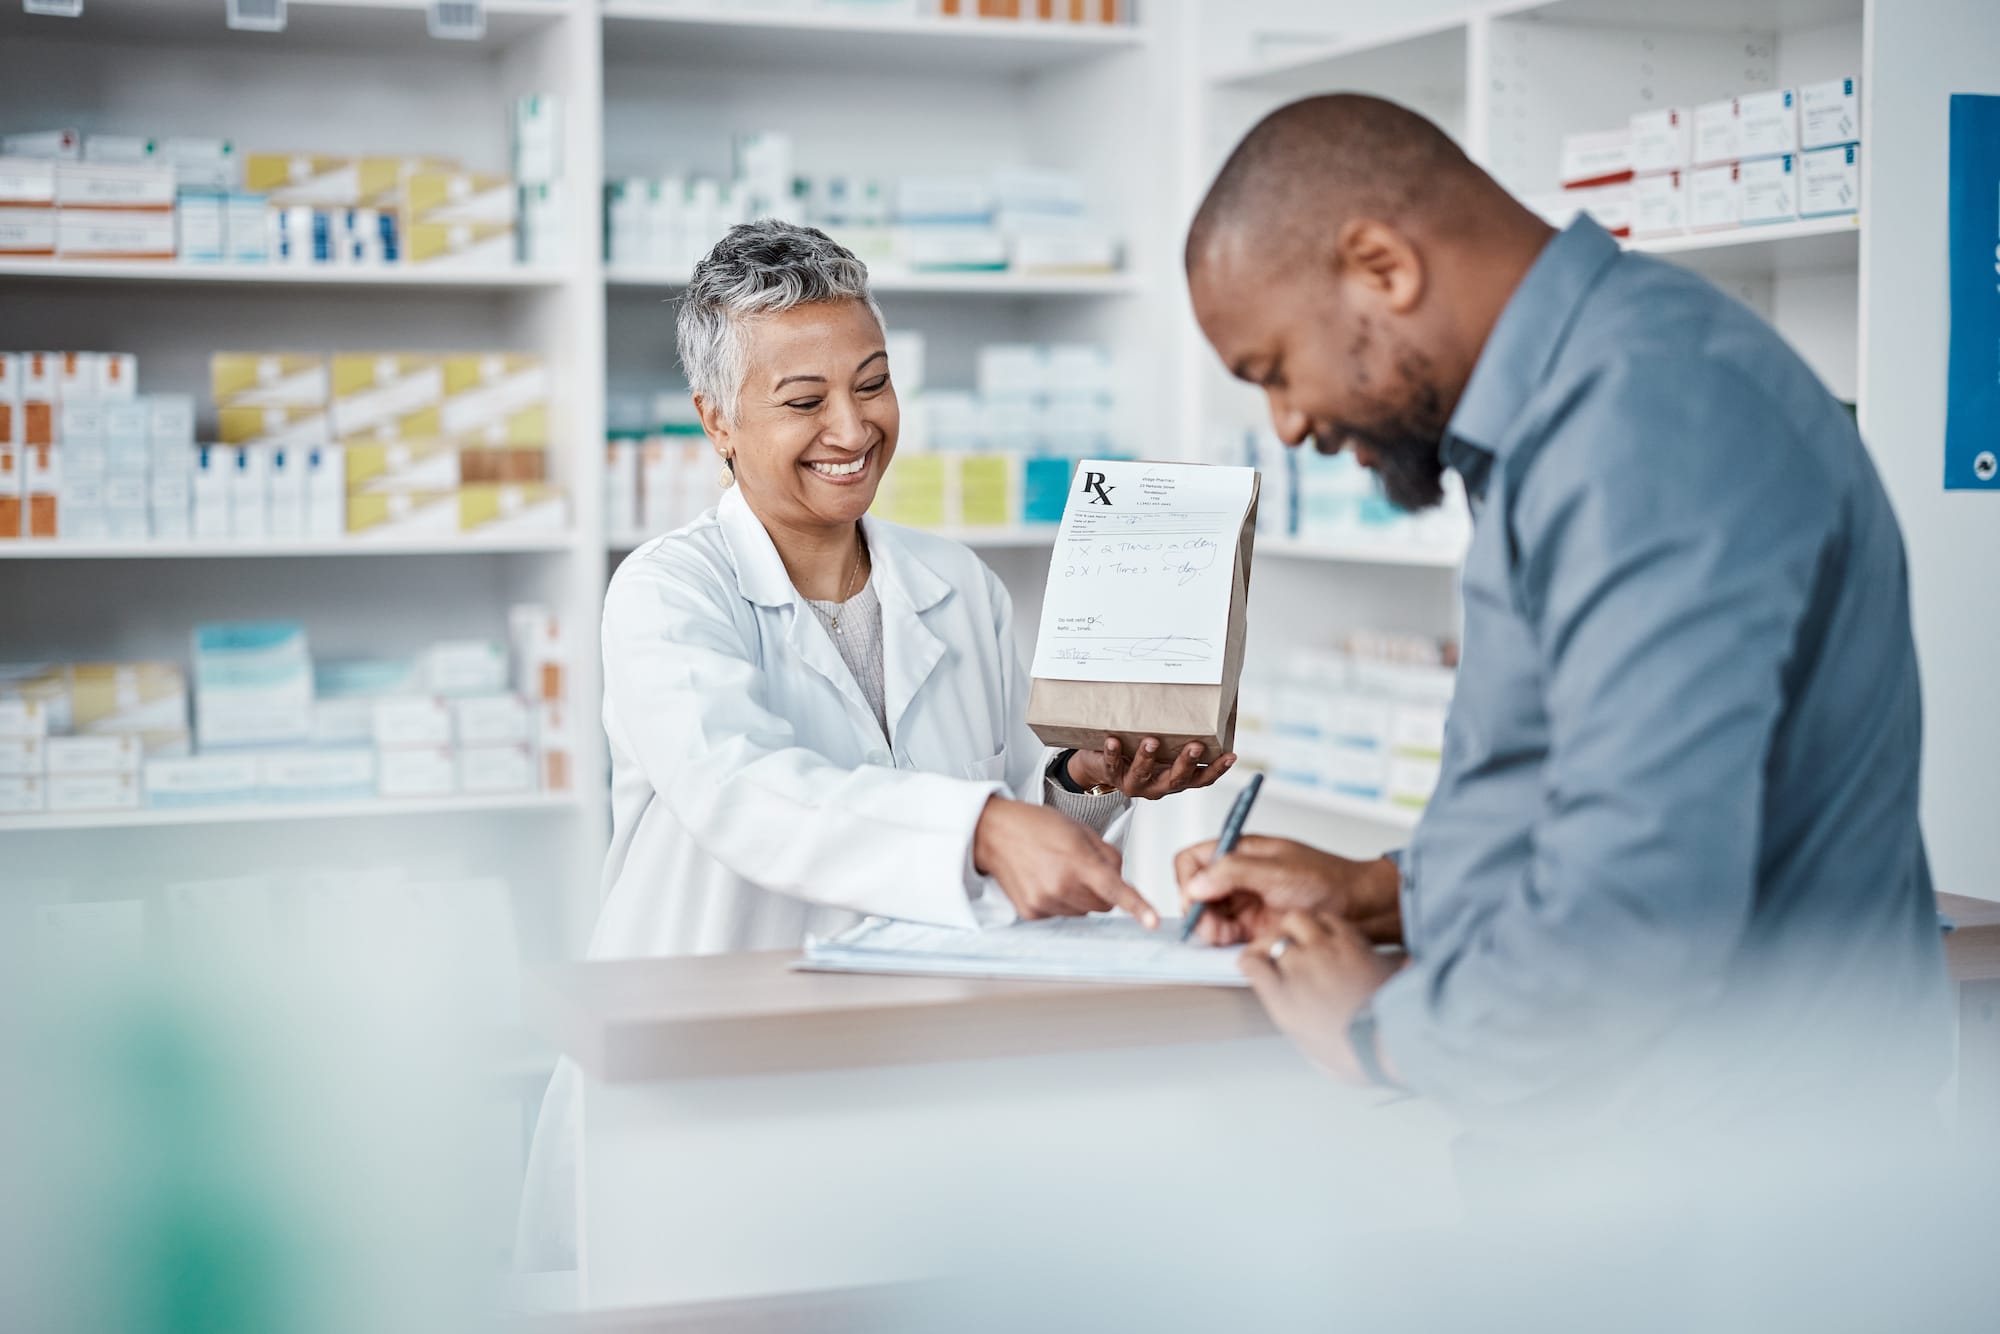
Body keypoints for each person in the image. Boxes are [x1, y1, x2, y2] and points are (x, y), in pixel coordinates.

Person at [1174, 95, 1950, 1158]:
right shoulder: (1575, 407)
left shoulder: (1643, 418)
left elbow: (1638, 896)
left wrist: (1380, 1028)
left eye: (1271, 369)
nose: (1290, 421)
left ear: (1380, 267)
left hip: (1736, 1186)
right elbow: (1589, 782)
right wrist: (1378, 892)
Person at [516, 219, 1231, 1269]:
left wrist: (1083, 780)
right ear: (716, 421)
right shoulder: (668, 591)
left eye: (873, 382)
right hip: (704, 1092)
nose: (851, 427)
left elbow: (991, 805)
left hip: (914, 1073)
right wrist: (985, 826)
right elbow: (743, 788)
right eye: (802, 401)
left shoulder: (956, 585)